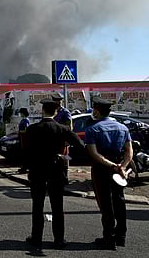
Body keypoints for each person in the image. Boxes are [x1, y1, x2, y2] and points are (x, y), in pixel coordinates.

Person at [25, 98, 84, 252]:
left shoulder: (32, 129)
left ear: (42, 111)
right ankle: (59, 239)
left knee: (37, 206)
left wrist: (29, 166)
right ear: (56, 112)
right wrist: (66, 153)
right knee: (57, 206)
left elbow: (26, 151)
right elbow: (80, 146)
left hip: (37, 170)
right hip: (57, 169)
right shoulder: (63, 129)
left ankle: (36, 238)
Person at [85, 97, 133, 250]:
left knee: (105, 203)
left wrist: (112, 166)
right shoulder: (122, 128)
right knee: (119, 201)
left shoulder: (93, 128)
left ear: (96, 111)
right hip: (119, 168)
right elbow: (129, 151)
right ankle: (121, 237)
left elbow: (94, 153)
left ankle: (109, 238)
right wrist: (122, 167)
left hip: (102, 168)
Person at [52, 92, 73, 185]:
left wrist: (67, 139)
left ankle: (65, 177)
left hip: (63, 140)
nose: (58, 103)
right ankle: (55, 178)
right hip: (54, 140)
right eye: (56, 101)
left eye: (59, 101)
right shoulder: (52, 111)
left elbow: (69, 126)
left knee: (65, 158)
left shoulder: (65, 112)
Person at [18, 107, 30, 174]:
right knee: (23, 153)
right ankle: (23, 167)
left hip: (24, 138)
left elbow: (26, 130)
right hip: (22, 138)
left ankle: (25, 167)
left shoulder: (26, 120)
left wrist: (20, 131)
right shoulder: (23, 120)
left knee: (25, 153)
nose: (20, 114)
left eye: (21, 113)